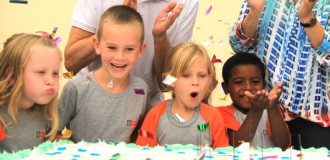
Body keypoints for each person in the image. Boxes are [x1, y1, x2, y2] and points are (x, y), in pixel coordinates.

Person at [229, 0, 330, 149]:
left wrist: (307, 17)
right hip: (263, 112)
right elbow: (238, 45)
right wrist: (255, 11)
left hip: (310, 115)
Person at [64, 0, 198, 106]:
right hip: (88, 103)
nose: (120, 57)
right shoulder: (73, 91)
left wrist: (160, 37)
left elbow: (168, 83)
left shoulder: (186, 3)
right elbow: (71, 63)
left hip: (142, 108)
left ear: (141, 49)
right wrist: (113, 27)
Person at [58, 5, 149, 143]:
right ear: (97, 45)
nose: (119, 57)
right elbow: (54, 133)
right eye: (112, 47)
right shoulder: (76, 88)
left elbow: (141, 135)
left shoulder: (141, 90)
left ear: (141, 50)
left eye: (129, 49)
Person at [136, 42, 229, 148]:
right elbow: (143, 155)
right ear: (171, 80)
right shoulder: (155, 115)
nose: (195, 82)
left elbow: (223, 158)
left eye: (202, 75)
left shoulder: (214, 117)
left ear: (209, 81)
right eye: (186, 75)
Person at [0, 33, 61, 153]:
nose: (51, 81)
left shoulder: (45, 114)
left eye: (55, 73)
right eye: (41, 72)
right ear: (13, 76)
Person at [217, 52, 290, 150]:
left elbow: (282, 143)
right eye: (239, 82)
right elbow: (236, 146)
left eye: (255, 81)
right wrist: (256, 111)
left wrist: (272, 108)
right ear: (226, 88)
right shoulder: (221, 113)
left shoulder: (270, 111)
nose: (248, 87)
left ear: (263, 84)